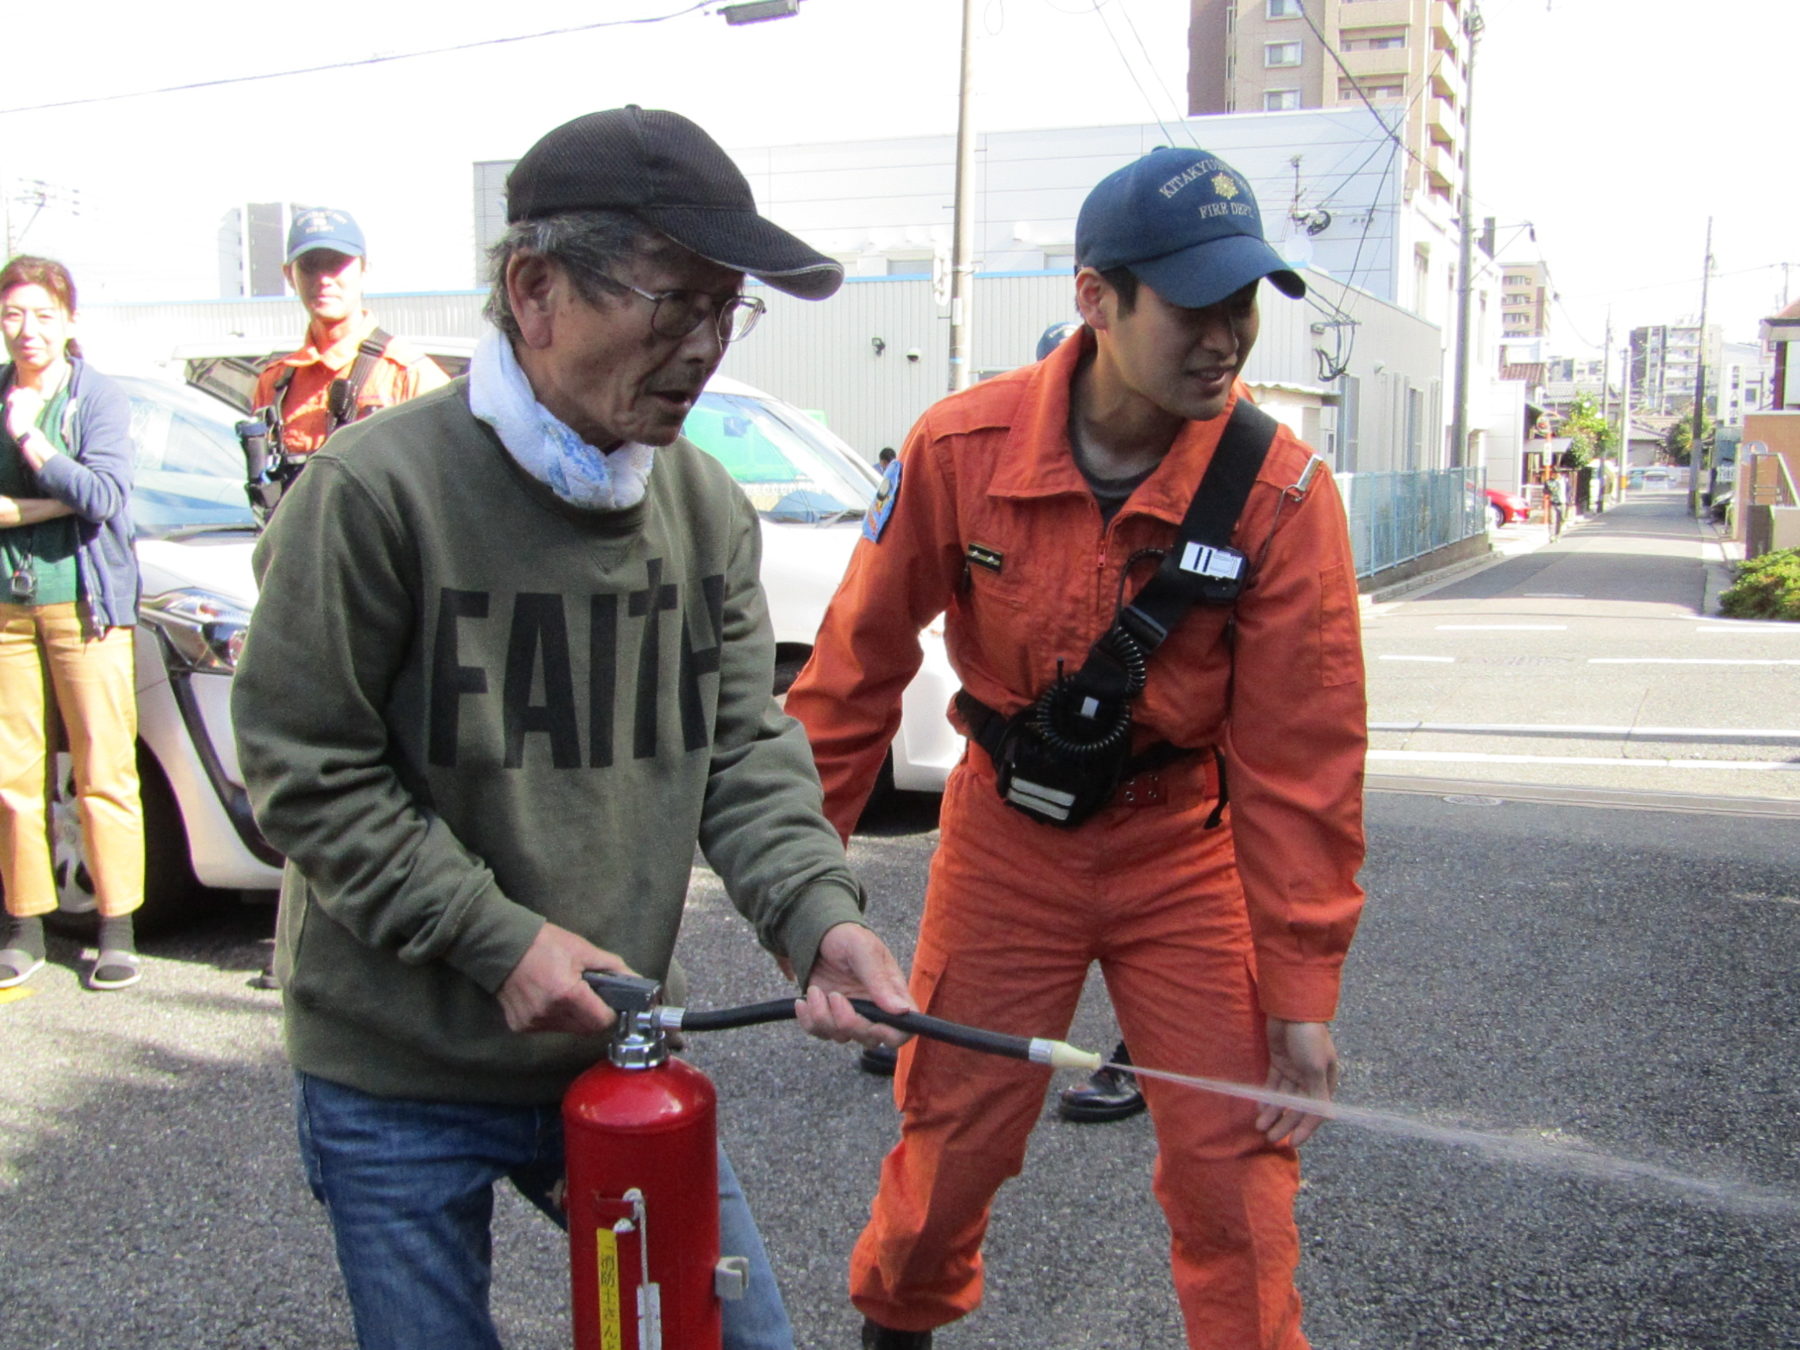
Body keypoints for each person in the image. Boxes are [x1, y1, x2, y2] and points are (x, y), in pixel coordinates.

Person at [230, 106, 914, 1350]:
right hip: (394, 1072)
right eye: (675, 302)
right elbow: (304, 772)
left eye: (727, 308)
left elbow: (742, 745)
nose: (705, 347)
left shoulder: (703, 505)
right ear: (533, 288)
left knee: (740, 1338)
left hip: (615, 1051)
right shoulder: (375, 494)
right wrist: (492, 939)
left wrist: (818, 919)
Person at [786, 146, 1368, 1349]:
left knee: (1237, 1175)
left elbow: (1301, 761)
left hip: (1185, 858)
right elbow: (852, 674)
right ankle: (896, 1329)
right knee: (952, 1140)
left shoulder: (1283, 495)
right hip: (1008, 847)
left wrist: (1301, 995)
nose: (1230, 336)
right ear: (1097, 298)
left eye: (1246, 303)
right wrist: (803, 899)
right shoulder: (962, 450)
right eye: (1197, 305)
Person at [0, 256, 145, 992]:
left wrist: (33, 445)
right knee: (11, 776)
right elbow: (82, 494)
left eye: (44, 316)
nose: (28, 331)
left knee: (104, 769)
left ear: (70, 322)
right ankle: (23, 925)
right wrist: (58, 500)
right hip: (6, 610)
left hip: (84, 606)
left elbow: (106, 495)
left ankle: (115, 927)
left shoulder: (97, 398)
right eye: (15, 315)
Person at [250, 206, 449, 465]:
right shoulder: (276, 383)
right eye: (310, 266)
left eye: (336, 264)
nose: (323, 279)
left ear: (363, 269)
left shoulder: (408, 375)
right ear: (289, 275)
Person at [1546, 467, 1567, 539]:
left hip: (1563, 503)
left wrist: (1569, 500)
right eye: (1554, 473)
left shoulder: (1564, 481)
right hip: (1553, 503)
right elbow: (1545, 491)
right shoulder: (1549, 482)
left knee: (1561, 519)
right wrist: (1549, 493)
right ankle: (1552, 535)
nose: (1556, 475)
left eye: (1557, 473)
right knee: (1552, 520)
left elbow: (1569, 490)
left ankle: (1558, 534)